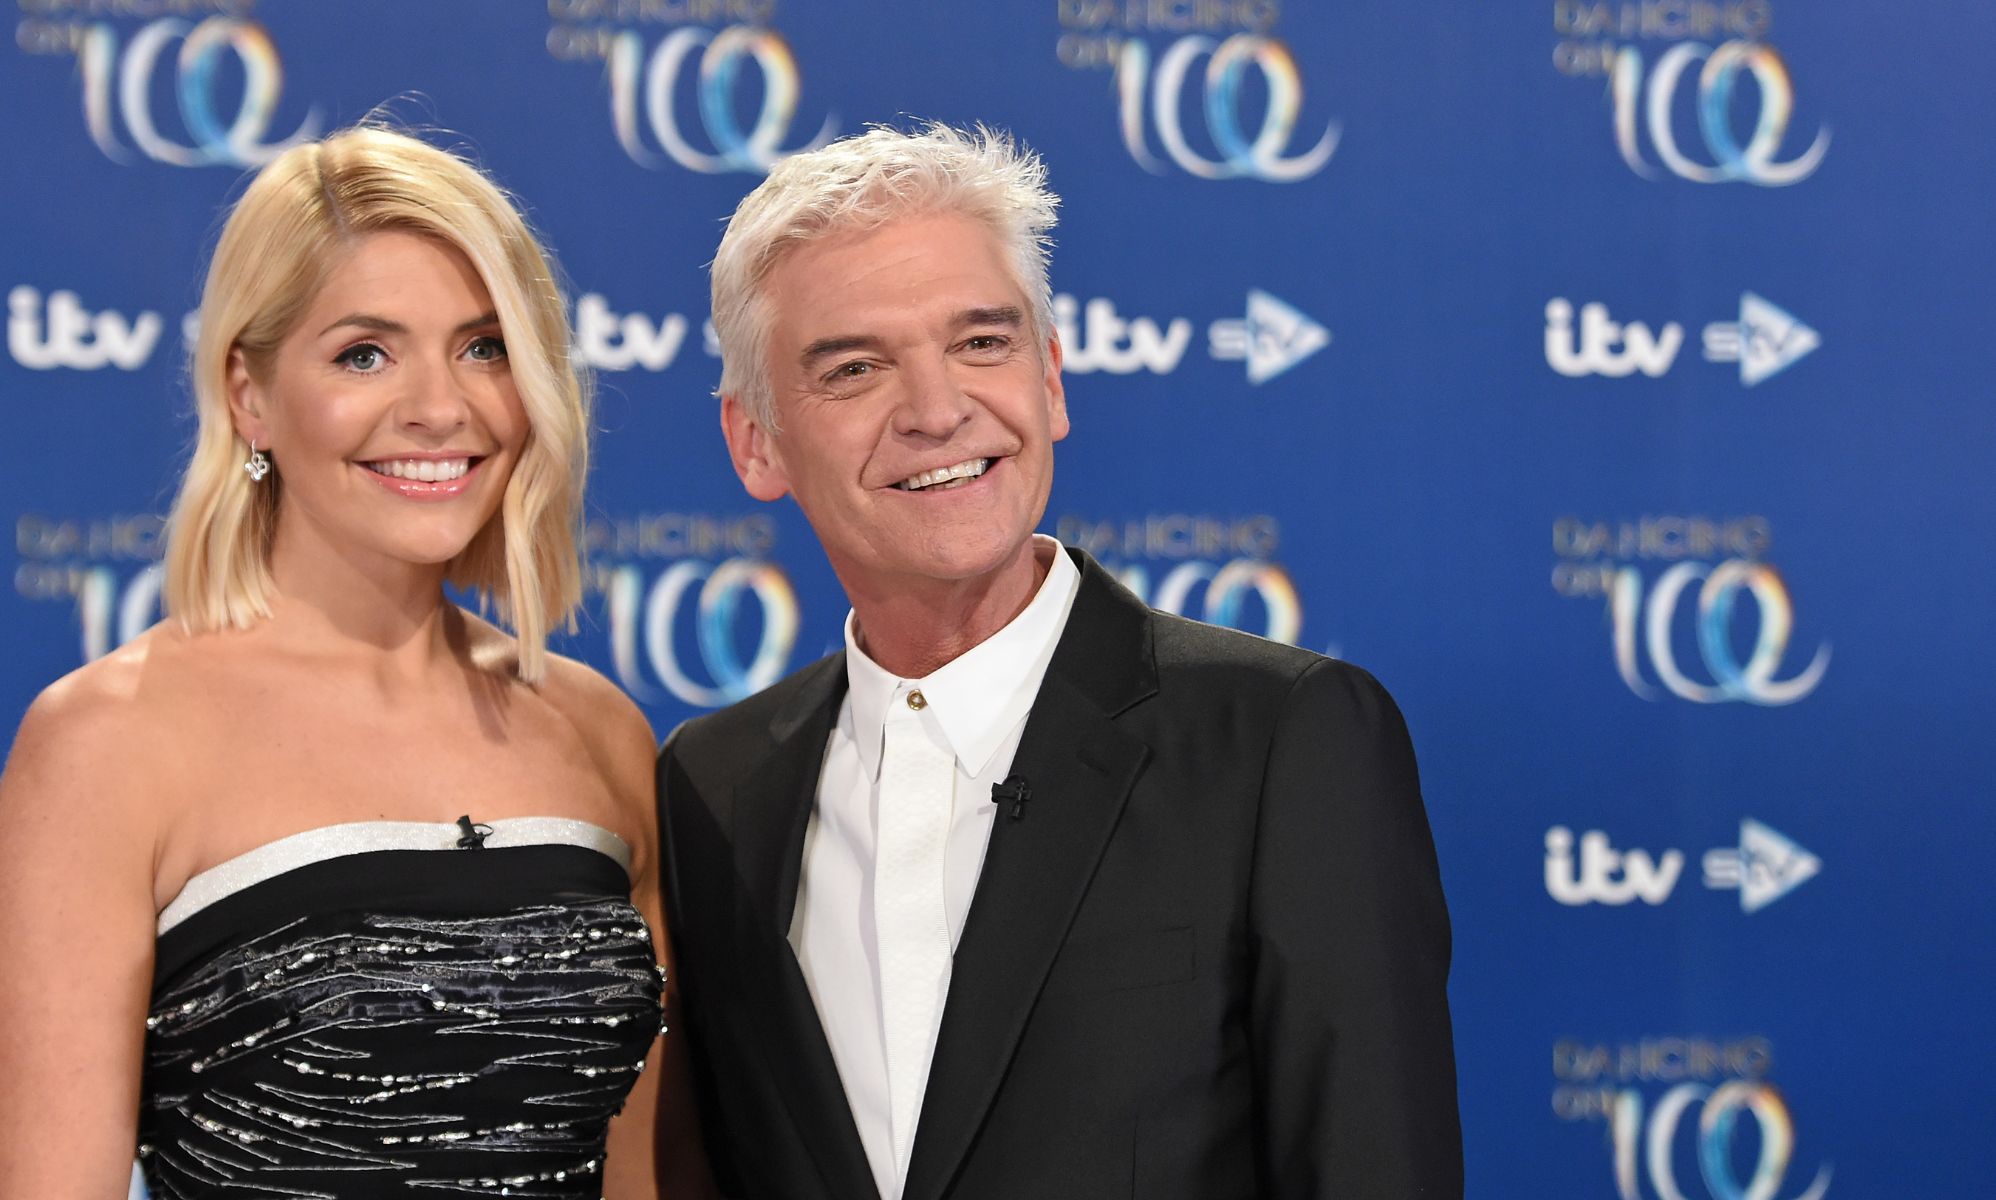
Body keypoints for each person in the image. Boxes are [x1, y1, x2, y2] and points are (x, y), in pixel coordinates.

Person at [656, 123, 1462, 1200]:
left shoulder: (1284, 742)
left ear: (1050, 378)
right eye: (855, 368)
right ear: (755, 440)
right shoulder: (711, 786)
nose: (938, 411)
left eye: (981, 344)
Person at [0, 126, 706, 1198]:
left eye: (484, 347)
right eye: (363, 355)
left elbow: (648, 1179)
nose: (439, 407)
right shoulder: (107, 744)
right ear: (248, 394)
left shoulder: (597, 731)